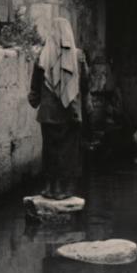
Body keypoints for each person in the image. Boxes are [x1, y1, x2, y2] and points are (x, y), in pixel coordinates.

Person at [28, 18, 90, 200]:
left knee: (49, 151)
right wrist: (85, 104)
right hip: (69, 112)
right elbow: (85, 83)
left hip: (48, 114)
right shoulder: (78, 56)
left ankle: (49, 188)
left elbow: (35, 86)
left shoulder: (43, 55)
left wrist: (34, 100)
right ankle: (64, 190)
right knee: (68, 152)